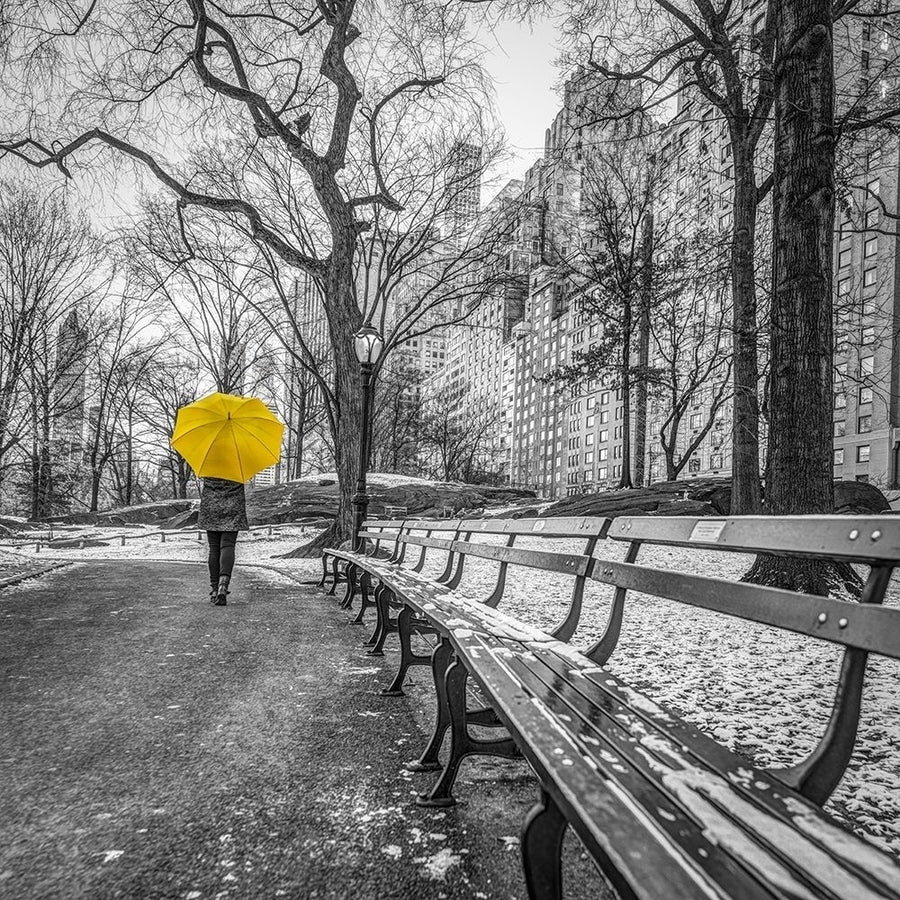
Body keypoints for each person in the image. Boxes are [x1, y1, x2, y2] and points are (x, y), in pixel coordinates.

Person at [198, 477, 248, 606]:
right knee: (228, 545)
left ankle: (215, 590)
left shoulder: (208, 463)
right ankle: (223, 586)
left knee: (214, 548)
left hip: (211, 507)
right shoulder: (238, 464)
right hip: (233, 508)